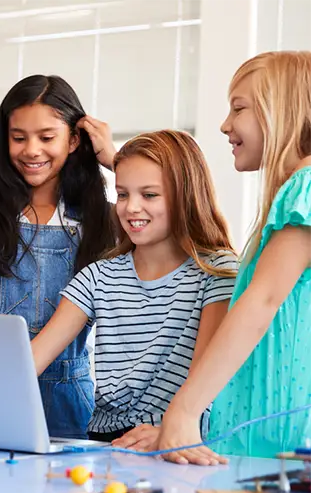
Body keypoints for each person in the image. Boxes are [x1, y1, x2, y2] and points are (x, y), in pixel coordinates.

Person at [0, 75, 117, 439]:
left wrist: (115, 159)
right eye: (19, 138)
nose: (31, 150)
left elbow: (181, 222)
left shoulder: (106, 220)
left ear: (75, 139)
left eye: (47, 138)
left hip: (72, 399)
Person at [30, 130, 238, 447]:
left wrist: (170, 433)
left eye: (150, 195)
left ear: (186, 196)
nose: (131, 208)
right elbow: (33, 359)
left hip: (181, 439)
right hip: (106, 443)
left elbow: (208, 378)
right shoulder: (98, 276)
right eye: (123, 194)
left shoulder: (217, 272)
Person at [156, 51, 311, 464]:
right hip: (260, 435)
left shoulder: (306, 187)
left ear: (282, 111)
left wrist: (184, 411)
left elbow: (262, 302)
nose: (225, 125)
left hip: (279, 442)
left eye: (238, 108)